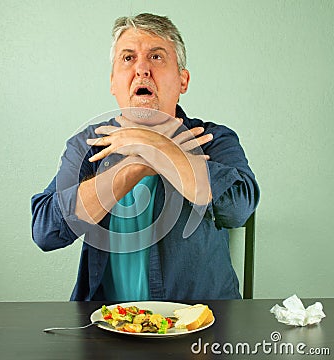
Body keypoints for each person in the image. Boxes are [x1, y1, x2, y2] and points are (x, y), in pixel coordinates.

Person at [31, 13, 259, 301]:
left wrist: (158, 146)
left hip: (199, 329)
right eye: (128, 58)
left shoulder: (214, 139)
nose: (142, 69)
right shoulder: (89, 144)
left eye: (157, 57)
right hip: (106, 328)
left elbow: (236, 209)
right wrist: (136, 165)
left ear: (182, 80)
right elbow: (46, 231)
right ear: (113, 83)